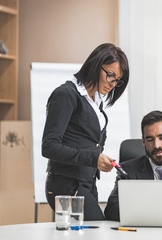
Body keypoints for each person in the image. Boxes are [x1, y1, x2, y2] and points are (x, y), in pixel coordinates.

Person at [42, 43, 130, 220]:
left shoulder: (96, 101)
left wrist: (100, 158)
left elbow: (88, 142)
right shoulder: (66, 95)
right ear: (96, 65)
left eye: (117, 80)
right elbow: (49, 147)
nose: (113, 84)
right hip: (66, 185)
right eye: (110, 75)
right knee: (98, 232)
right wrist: (94, 158)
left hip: (86, 183)